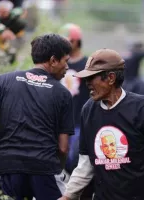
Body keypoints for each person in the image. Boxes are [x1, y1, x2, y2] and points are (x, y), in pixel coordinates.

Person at [59, 48, 144, 200]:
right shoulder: (88, 110)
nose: (87, 84)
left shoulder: (143, 108)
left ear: (111, 78)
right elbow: (86, 163)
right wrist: (67, 196)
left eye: (92, 78)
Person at [0, 33, 74, 200]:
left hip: (8, 166)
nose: (67, 67)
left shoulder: (4, 80)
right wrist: (58, 169)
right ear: (53, 60)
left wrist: (0, 137)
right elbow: (63, 148)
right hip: (45, 169)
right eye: (65, 61)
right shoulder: (63, 94)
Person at [58, 23, 94, 200]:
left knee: (75, 157)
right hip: (60, 120)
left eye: (69, 41)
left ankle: (76, 191)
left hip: (80, 119)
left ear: (77, 41)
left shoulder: (87, 64)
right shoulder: (57, 64)